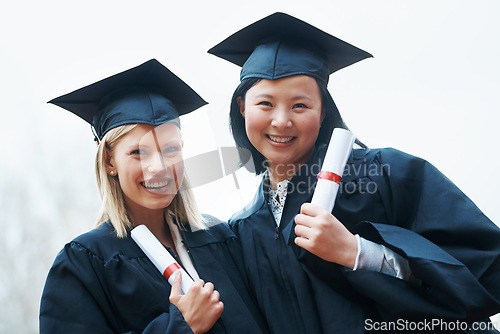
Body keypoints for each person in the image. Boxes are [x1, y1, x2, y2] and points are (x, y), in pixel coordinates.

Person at [208, 12, 500, 333]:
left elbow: (484, 274)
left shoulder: (385, 175)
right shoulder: (243, 228)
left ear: (322, 113)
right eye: (265, 103)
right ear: (241, 107)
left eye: (300, 105)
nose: (281, 121)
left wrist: (359, 253)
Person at [39, 59, 268, 334]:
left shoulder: (222, 239)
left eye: (170, 149)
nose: (159, 167)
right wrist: (181, 325)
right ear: (110, 161)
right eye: (139, 153)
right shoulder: (85, 265)